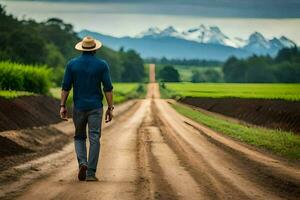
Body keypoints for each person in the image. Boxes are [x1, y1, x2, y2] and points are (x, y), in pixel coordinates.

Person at [60, 36, 114, 181]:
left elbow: (66, 87)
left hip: (78, 107)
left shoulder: (72, 64)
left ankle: (82, 162)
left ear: (82, 48)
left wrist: (62, 106)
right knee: (94, 137)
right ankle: (91, 173)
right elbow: (107, 88)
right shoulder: (102, 65)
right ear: (95, 49)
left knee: (79, 137)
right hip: (96, 107)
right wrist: (110, 108)